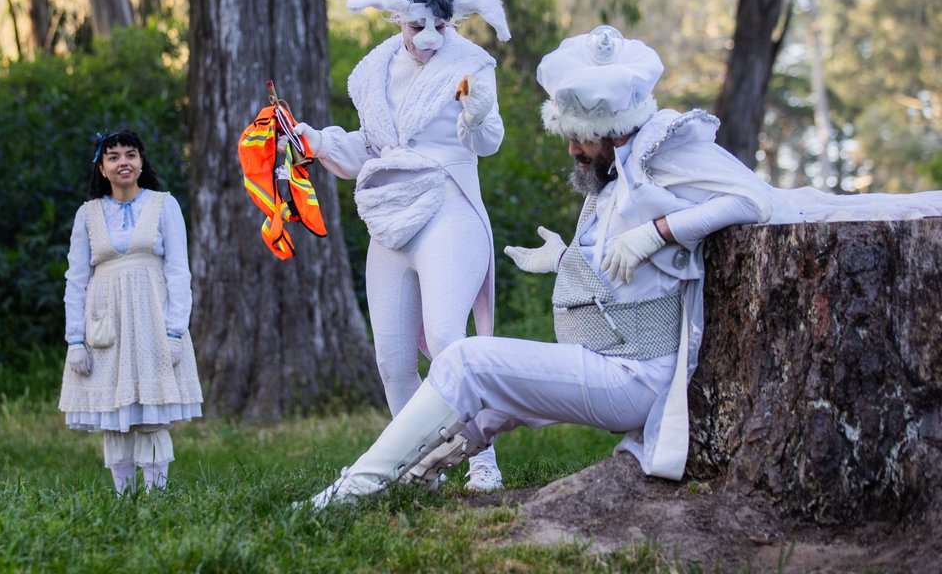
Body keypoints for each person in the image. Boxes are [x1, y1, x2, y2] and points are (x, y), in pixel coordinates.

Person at [301, 25, 942, 509]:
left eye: (578, 137)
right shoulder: (613, 177)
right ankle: (404, 480)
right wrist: (566, 260)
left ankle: (349, 493)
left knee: (466, 361)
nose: (572, 150)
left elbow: (755, 199)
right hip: (606, 362)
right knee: (486, 400)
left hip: (634, 376)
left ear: (609, 128)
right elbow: (621, 274)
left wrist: (655, 234)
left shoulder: (665, 150)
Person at [292, 0, 513, 492]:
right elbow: (370, 147)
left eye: (441, 25)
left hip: (449, 205)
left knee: (446, 339)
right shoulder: (375, 70)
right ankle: (416, 468)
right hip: (391, 215)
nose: (430, 37)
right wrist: (316, 142)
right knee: (392, 359)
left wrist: (477, 114)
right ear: (398, 19)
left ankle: (482, 459)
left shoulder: (470, 64)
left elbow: (488, 142)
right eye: (417, 26)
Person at [58, 129, 203, 494]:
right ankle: (125, 498)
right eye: (113, 156)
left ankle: (156, 498)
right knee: (115, 416)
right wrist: (75, 339)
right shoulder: (88, 214)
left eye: (130, 155)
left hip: (151, 320)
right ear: (102, 168)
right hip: (106, 324)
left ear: (140, 162)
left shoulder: (163, 206)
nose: (123, 162)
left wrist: (174, 331)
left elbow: (178, 271)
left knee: (151, 416)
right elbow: (76, 279)